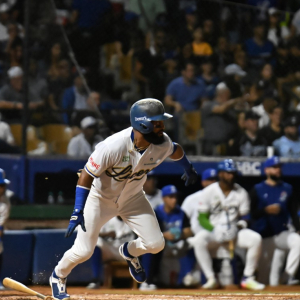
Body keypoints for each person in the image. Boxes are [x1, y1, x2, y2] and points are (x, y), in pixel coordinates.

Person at [49, 99, 199, 300]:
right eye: (157, 122)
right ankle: (58, 275)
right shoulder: (113, 145)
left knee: (156, 244)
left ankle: (128, 251)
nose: (162, 126)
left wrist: (187, 168)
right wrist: (78, 210)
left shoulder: (161, 143)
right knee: (84, 251)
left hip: (133, 199)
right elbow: (86, 175)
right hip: (100, 200)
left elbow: (176, 149)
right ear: (142, 123)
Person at [191, 159, 265, 291]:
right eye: (227, 173)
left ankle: (248, 278)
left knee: (255, 238)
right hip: (215, 232)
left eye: (232, 173)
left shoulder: (241, 192)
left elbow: (245, 216)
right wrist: (214, 230)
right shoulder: (209, 191)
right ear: (220, 174)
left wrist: (238, 227)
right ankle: (211, 278)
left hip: (234, 231)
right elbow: (202, 218)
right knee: (199, 240)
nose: (230, 175)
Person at [249, 157, 300, 286]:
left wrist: (298, 228)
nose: (278, 170)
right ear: (266, 170)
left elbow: (293, 210)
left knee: (297, 241)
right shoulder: (257, 189)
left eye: (279, 167)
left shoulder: (287, 188)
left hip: (280, 234)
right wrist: (265, 211)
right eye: (274, 167)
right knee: (265, 279)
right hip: (263, 237)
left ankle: (287, 276)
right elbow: (250, 213)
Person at [144, 185, 193, 290]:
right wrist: (164, 235)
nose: (174, 200)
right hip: (163, 248)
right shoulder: (156, 213)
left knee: (194, 242)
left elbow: (189, 232)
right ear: (163, 198)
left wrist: (180, 234)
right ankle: (147, 280)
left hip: (178, 247)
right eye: (171, 197)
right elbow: (148, 232)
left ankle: (191, 272)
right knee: (167, 283)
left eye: (175, 197)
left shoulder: (181, 212)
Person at [180, 168, 218, 287]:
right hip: (197, 237)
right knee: (192, 242)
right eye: (210, 180)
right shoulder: (192, 199)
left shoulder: (223, 197)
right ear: (203, 182)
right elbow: (183, 220)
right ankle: (187, 275)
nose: (213, 183)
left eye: (215, 180)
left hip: (217, 237)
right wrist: (187, 231)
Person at [86, 217, 133, 289]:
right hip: (111, 248)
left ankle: (146, 281)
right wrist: (107, 234)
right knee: (96, 243)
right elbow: (95, 233)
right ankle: (95, 280)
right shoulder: (107, 218)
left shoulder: (133, 218)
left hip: (127, 251)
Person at [201, 82, 241, 155]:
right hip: (212, 143)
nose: (229, 96)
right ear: (221, 94)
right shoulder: (208, 105)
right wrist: (234, 101)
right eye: (227, 94)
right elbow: (221, 109)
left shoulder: (230, 109)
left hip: (228, 143)